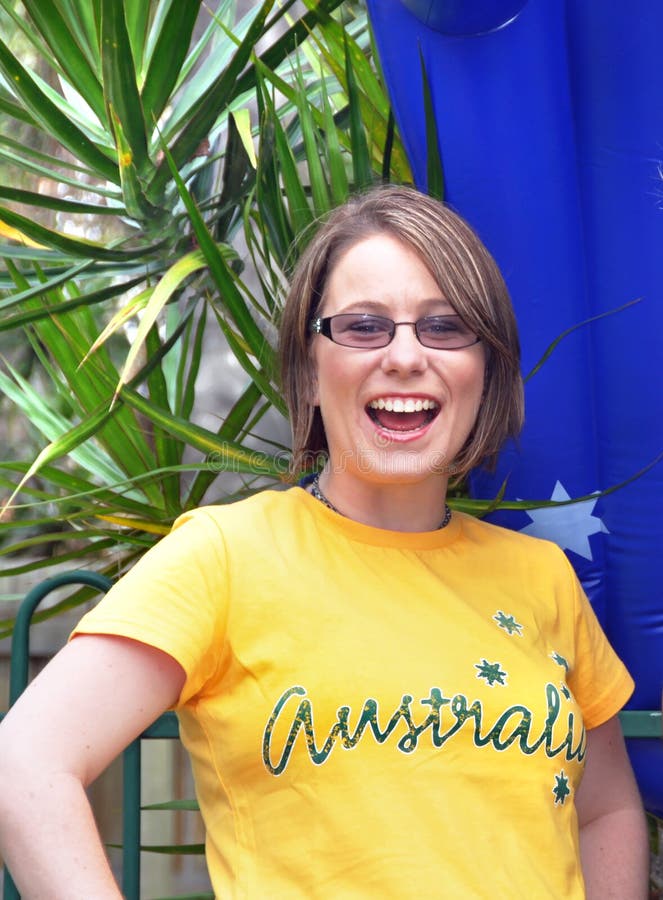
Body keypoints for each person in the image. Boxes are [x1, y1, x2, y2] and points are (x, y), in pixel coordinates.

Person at [0, 185, 648, 898]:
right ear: (309, 371)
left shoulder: (541, 577)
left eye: (443, 327)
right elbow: (24, 762)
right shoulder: (227, 556)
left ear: (484, 369)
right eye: (365, 326)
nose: (405, 356)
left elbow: (606, 809)